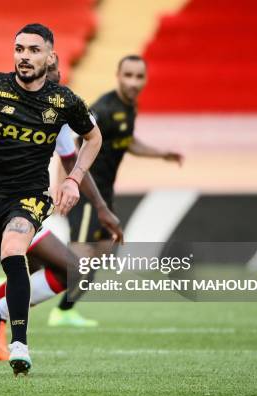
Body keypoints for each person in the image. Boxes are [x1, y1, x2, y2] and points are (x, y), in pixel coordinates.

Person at [0, 23, 102, 376]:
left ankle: (19, 344)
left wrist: (73, 180)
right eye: (20, 49)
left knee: (14, 249)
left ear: (50, 56)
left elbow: (94, 137)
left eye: (34, 50)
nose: (25, 57)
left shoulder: (63, 101)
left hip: (27, 196)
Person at [54, 55, 184, 320]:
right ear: (118, 75)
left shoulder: (128, 108)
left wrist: (161, 154)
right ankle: (44, 298)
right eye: (128, 75)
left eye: (139, 76)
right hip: (86, 192)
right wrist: (62, 184)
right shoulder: (103, 108)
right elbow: (70, 145)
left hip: (104, 194)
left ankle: (62, 305)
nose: (134, 82)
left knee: (100, 254)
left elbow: (128, 141)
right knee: (82, 259)